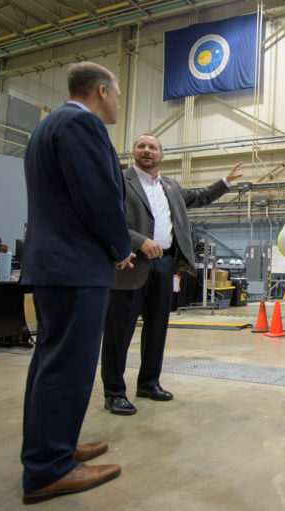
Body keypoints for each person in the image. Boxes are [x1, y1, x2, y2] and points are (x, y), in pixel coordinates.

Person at [20, 61, 134, 503]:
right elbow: (99, 197)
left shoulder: (48, 126)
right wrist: (119, 247)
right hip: (75, 266)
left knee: (50, 362)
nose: (119, 104)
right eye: (119, 95)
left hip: (54, 266)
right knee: (68, 367)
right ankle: (50, 468)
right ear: (102, 91)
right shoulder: (81, 125)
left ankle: (54, 447)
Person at [101, 133, 244, 415]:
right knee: (119, 332)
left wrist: (225, 182)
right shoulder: (120, 181)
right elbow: (106, 218)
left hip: (164, 265)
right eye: (140, 146)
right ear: (133, 153)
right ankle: (114, 392)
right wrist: (137, 240)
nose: (146, 150)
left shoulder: (170, 186)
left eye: (152, 147)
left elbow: (201, 196)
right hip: (130, 264)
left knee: (157, 330)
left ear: (162, 156)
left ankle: (148, 383)